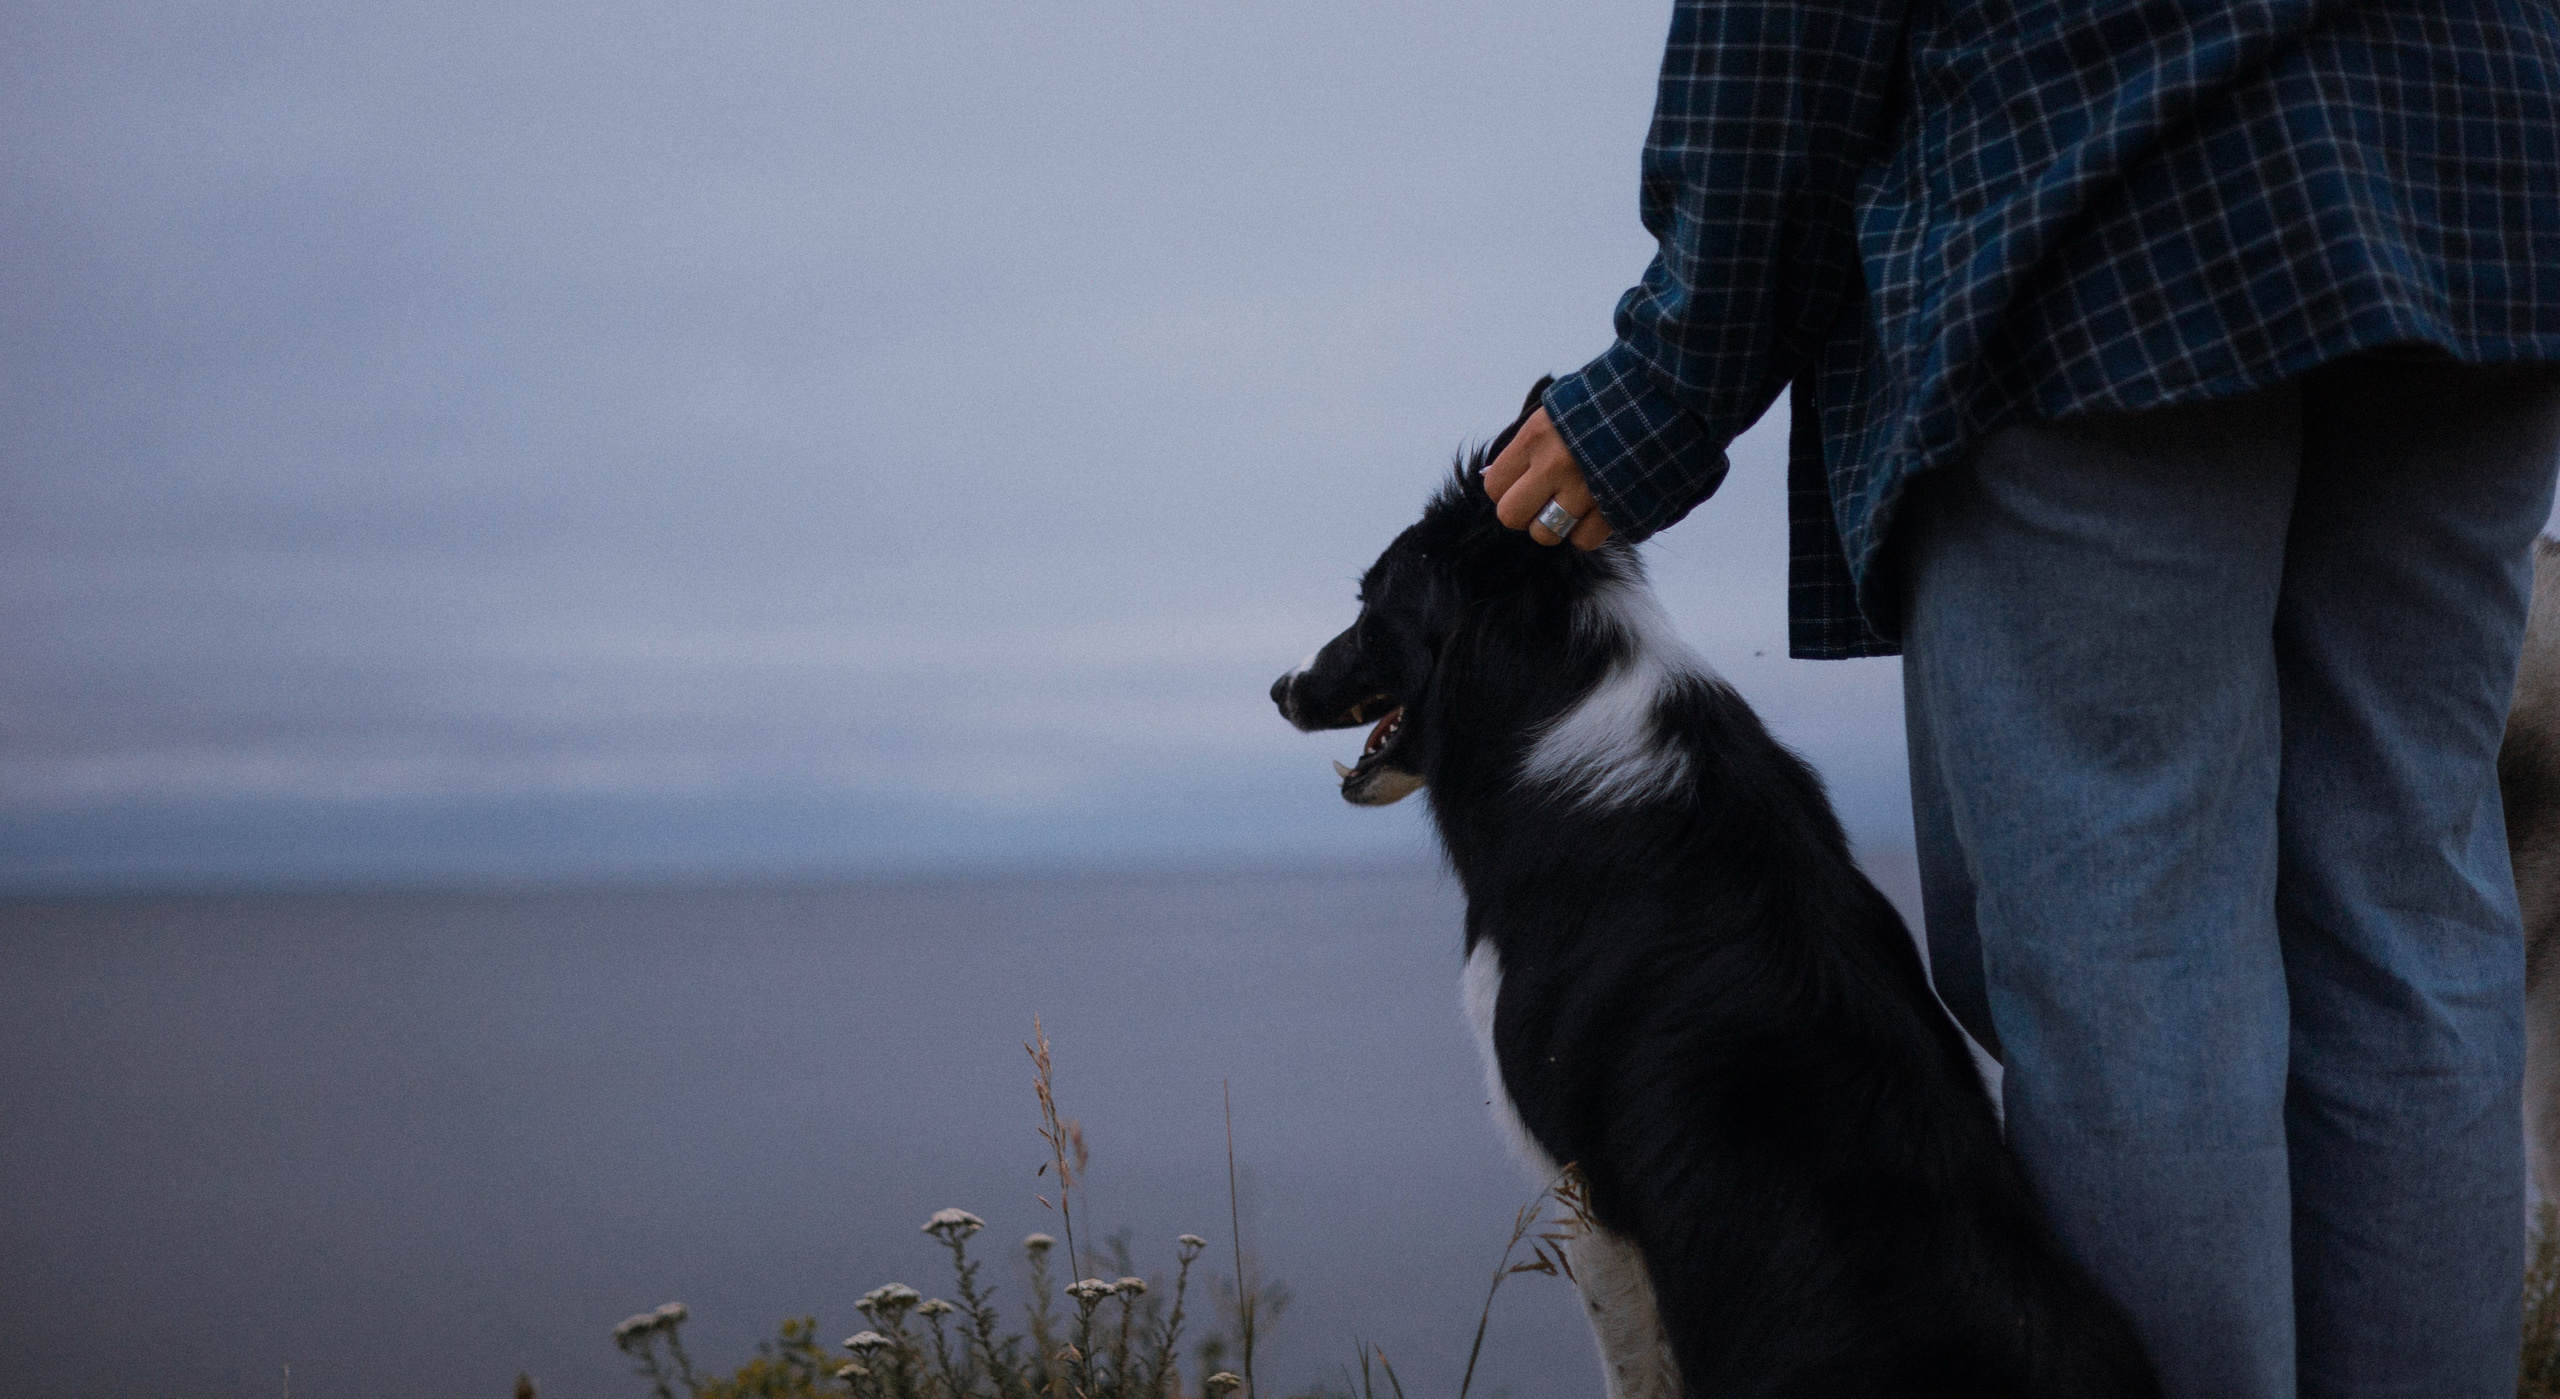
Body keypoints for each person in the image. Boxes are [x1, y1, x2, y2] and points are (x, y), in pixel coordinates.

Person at [1481, 2, 2560, 1396]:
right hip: (2486, 169)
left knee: (2136, 971)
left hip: (2102, 188)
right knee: (2404, 923)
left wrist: (1670, 382)